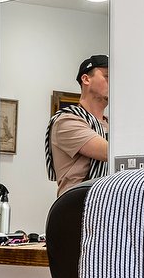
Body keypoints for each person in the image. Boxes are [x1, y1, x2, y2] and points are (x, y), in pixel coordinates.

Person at [47, 54, 110, 195]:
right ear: (86, 79)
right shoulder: (67, 121)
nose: (114, 82)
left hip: (107, 202)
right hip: (77, 203)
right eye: (107, 76)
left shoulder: (112, 125)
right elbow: (109, 152)